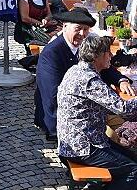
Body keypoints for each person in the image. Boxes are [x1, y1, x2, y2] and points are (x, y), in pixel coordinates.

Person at [57, 35, 137, 190]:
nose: (111, 56)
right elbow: (123, 109)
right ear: (96, 56)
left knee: (132, 159)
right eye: (108, 53)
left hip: (81, 140)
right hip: (83, 146)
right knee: (132, 170)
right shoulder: (89, 79)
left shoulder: (77, 70)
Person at [35, 8, 134, 141]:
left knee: (127, 121)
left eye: (86, 29)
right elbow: (54, 96)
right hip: (64, 119)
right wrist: (101, 102)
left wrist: (121, 79)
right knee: (122, 135)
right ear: (65, 27)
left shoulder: (84, 44)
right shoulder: (51, 54)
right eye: (78, 28)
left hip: (89, 110)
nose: (82, 33)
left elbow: (103, 65)